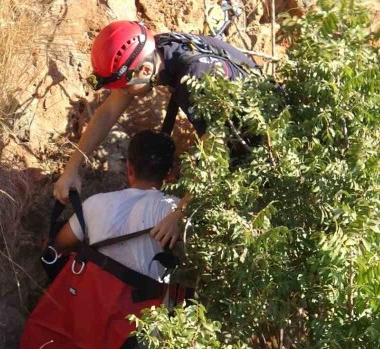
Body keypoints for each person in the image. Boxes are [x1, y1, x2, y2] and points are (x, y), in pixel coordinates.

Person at [53, 21, 261, 249]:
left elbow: (216, 153)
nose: (122, 93)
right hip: (234, 120)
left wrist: (179, 214)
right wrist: (71, 169)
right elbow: (109, 112)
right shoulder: (156, 49)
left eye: (124, 87)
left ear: (145, 70)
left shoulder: (194, 79)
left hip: (261, 141)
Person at [52, 129, 178, 281]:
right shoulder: (175, 212)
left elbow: (59, 244)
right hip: (146, 303)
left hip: (92, 298)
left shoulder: (94, 203)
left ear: (129, 167)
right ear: (170, 175)